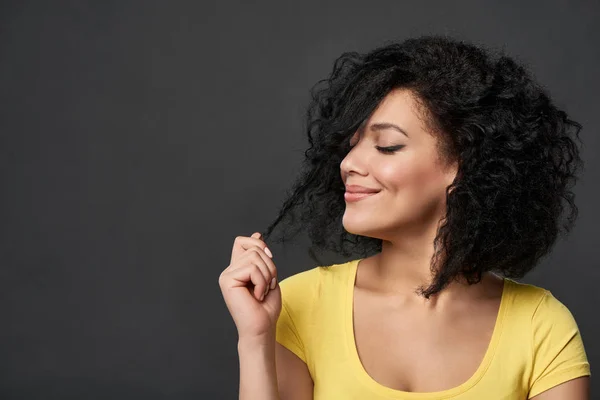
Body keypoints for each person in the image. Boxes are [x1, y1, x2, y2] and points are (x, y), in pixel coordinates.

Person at [218, 34, 591, 399]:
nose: (348, 164)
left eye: (387, 146)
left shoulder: (540, 327)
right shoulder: (296, 304)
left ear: (464, 166)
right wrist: (254, 340)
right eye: (351, 146)